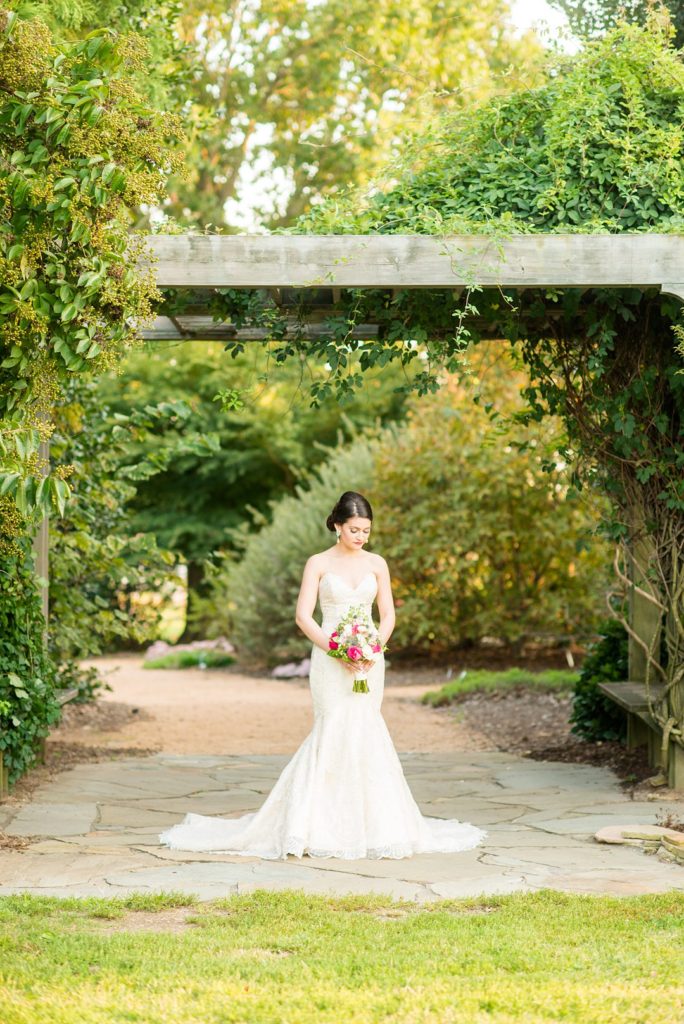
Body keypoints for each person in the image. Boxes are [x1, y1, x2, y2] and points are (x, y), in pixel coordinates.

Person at [159, 490, 486, 860]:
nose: (361, 536)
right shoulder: (318, 563)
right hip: (329, 659)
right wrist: (338, 650)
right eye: (354, 529)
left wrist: (371, 649)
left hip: (369, 659)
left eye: (366, 530)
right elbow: (303, 616)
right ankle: (315, 825)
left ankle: (375, 826)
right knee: (332, 728)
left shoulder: (377, 563)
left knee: (366, 728)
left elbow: (388, 614)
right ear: (337, 525)